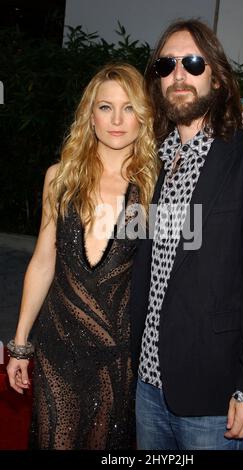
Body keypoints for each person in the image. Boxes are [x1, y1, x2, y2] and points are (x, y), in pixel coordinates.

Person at [130, 19, 243, 450]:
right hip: (146, 383)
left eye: (193, 62)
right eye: (167, 64)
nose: (178, 74)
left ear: (217, 77)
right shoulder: (152, 161)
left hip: (215, 393)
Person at [6, 63, 158, 450]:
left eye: (129, 108)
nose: (118, 120)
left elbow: (162, 276)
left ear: (144, 117)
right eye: (106, 107)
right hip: (59, 344)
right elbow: (43, 261)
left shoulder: (154, 185)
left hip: (119, 354)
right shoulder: (60, 177)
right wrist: (21, 343)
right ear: (90, 115)